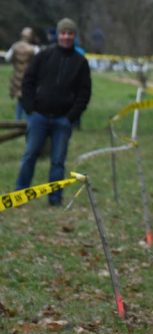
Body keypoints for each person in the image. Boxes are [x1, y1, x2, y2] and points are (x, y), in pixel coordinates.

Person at [16, 18, 91, 206]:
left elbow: (84, 93)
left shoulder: (80, 62)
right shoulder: (44, 55)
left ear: (74, 36)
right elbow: (28, 81)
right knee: (30, 155)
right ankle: (19, 194)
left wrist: (71, 117)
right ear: (58, 34)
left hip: (62, 121)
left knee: (58, 161)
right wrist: (29, 108)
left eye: (70, 33)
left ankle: (55, 199)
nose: (66, 36)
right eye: (63, 33)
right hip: (38, 116)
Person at [6, 27, 40, 120]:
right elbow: (40, 61)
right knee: (28, 99)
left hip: (17, 76)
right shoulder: (34, 48)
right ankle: (25, 121)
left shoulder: (15, 46)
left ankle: (18, 120)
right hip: (30, 77)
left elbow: (7, 58)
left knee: (20, 99)